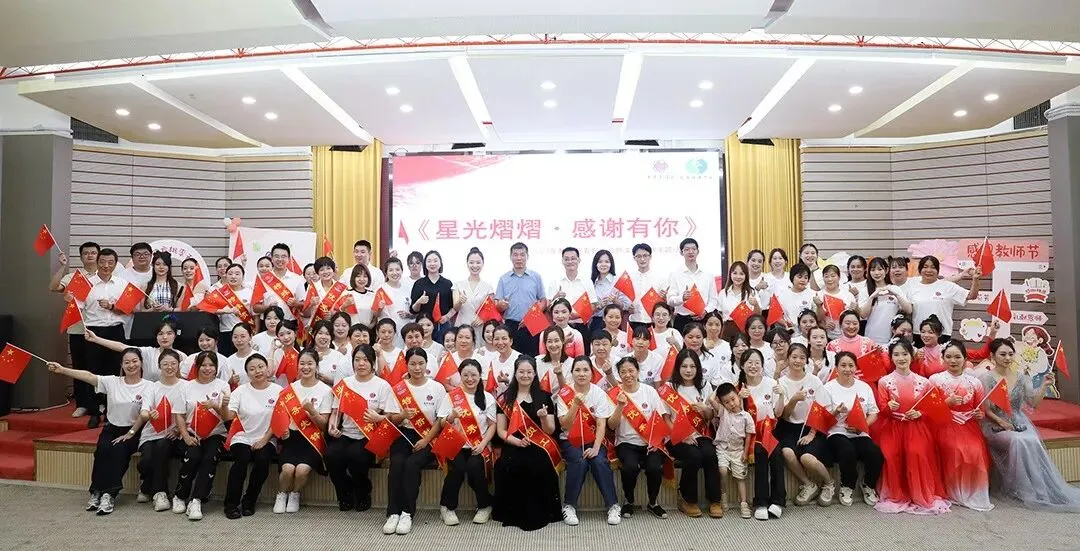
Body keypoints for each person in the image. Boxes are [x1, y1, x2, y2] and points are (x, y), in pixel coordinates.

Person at [45, 348, 152, 515]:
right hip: (112, 427)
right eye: (127, 362)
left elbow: (145, 414)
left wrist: (130, 433)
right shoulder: (112, 382)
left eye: (134, 361)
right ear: (121, 365)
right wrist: (63, 370)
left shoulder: (149, 386)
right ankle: (96, 492)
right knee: (102, 450)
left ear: (141, 363)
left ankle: (109, 494)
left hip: (135, 430)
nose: (131, 365)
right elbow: (88, 376)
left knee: (118, 451)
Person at [979, 339, 1080, 511]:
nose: (1007, 358)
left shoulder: (1021, 377)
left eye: (1010, 354)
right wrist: (1002, 422)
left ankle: (1039, 487)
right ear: (992, 356)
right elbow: (986, 410)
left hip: (1019, 422)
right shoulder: (986, 378)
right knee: (1018, 441)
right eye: (1002, 354)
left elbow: (1033, 402)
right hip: (995, 424)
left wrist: (1044, 385)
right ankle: (1019, 488)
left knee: (1031, 440)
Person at [874, 339, 950, 514]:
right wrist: (888, 407)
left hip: (916, 427)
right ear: (891, 357)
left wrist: (920, 413)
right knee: (891, 455)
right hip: (892, 427)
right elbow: (881, 409)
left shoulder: (924, 382)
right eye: (896, 354)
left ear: (911, 356)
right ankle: (896, 493)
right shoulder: (884, 381)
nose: (901, 358)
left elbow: (931, 408)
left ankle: (919, 493)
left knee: (917, 453)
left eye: (905, 354)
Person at [326, 345, 400, 512]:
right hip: (346, 433)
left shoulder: (382, 385)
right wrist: (332, 426)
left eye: (366, 360)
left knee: (356, 456)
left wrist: (378, 418)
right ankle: (344, 493)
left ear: (373, 363)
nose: (361, 363)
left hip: (369, 435)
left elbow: (392, 415)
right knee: (331, 456)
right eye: (357, 360)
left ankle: (363, 491)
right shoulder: (345, 384)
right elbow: (336, 412)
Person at [493, 356, 562, 531]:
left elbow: (550, 430)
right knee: (511, 463)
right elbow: (501, 430)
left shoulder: (544, 397)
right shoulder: (505, 399)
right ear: (515, 373)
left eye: (529, 372)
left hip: (539, 444)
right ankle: (513, 514)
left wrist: (543, 418)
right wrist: (516, 441)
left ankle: (540, 513)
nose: (525, 375)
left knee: (537, 463)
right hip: (513, 442)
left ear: (534, 374)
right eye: (521, 372)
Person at [383, 347, 446, 535]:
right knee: (397, 463)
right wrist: (402, 415)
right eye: (413, 364)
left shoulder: (437, 388)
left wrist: (426, 440)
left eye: (421, 363)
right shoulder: (399, 389)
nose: (417, 368)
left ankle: (407, 513)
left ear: (427, 364)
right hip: (404, 434)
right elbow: (391, 419)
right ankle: (393, 512)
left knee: (412, 464)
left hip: (429, 436)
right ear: (407, 365)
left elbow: (440, 420)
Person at [554, 356, 621, 526]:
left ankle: (613, 505)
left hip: (594, 439)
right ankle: (569, 506)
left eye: (585, 370)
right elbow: (564, 424)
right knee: (579, 460)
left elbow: (601, 424)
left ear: (592, 373)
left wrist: (596, 448)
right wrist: (575, 405)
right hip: (570, 439)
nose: (582, 374)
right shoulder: (565, 394)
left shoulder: (598, 393)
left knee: (599, 461)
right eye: (577, 370)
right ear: (572, 373)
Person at [928, 341, 992, 511]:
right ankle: (954, 490)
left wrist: (979, 414)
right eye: (948, 357)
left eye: (957, 357)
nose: (953, 361)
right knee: (956, 449)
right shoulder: (935, 380)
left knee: (976, 451)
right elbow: (929, 409)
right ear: (943, 359)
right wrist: (946, 403)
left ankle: (974, 490)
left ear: (965, 359)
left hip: (969, 425)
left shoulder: (975, 382)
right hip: (944, 424)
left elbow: (980, 408)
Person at [171, 351, 232, 521]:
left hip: (216, 433)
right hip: (192, 432)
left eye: (211, 365)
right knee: (192, 456)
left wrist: (216, 406)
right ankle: (180, 495)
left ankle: (196, 500)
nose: (207, 368)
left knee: (210, 457)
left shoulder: (223, 385)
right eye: (203, 365)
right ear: (197, 366)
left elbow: (227, 417)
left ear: (216, 368)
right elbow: (179, 414)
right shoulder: (186, 386)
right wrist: (185, 436)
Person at [608, 356, 670, 519]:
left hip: (651, 442)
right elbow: (611, 426)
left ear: (637, 371)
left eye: (631, 370)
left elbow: (660, 418)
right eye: (623, 372)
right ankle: (629, 501)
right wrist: (620, 406)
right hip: (626, 443)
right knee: (629, 467)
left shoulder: (649, 391)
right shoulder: (615, 394)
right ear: (619, 374)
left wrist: (656, 441)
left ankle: (653, 502)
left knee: (655, 468)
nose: (627, 375)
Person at [223, 353, 283, 518]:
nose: (257, 371)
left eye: (261, 367)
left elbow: (279, 420)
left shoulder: (278, 391)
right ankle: (231, 504)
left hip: (267, 437)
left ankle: (249, 500)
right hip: (242, 436)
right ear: (247, 373)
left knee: (262, 460)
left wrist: (264, 439)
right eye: (252, 369)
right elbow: (228, 416)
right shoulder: (240, 391)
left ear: (267, 369)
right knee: (241, 461)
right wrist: (223, 406)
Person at [664, 349, 722, 518]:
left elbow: (710, 417)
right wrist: (681, 435)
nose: (688, 370)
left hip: (700, 433)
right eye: (684, 366)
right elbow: (665, 418)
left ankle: (715, 500)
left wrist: (705, 409)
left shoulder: (704, 386)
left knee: (710, 454)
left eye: (692, 366)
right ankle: (687, 499)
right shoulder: (669, 388)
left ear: (698, 368)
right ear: (678, 367)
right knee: (694, 456)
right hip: (675, 436)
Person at [437, 358, 496, 525]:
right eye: (465, 375)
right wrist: (452, 416)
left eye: (474, 375)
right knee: (457, 469)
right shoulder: (451, 397)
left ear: (480, 376)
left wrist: (483, 444)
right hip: (455, 443)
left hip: (479, 444)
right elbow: (441, 423)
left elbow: (492, 425)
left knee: (475, 467)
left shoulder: (487, 398)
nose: (470, 379)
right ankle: (447, 507)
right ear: (460, 376)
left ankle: (484, 506)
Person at [775, 343, 836, 506]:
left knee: (807, 458)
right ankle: (808, 484)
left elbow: (822, 409)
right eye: (794, 357)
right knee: (787, 452)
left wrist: (812, 433)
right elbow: (784, 415)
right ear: (788, 358)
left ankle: (829, 483)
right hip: (790, 428)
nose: (797, 361)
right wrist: (794, 400)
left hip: (813, 426)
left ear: (806, 360)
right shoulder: (782, 382)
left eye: (802, 357)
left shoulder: (814, 380)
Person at [273, 348, 332, 514]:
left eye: (310, 363)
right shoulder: (290, 389)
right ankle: (281, 494)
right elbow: (280, 417)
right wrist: (283, 430)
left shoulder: (325, 390)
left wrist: (312, 411)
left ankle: (294, 494)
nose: (306, 367)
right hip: (291, 438)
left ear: (317, 366)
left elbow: (324, 425)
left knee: (301, 470)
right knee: (287, 469)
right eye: (302, 363)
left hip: (312, 439)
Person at [823, 352, 884, 507]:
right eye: (843, 365)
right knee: (847, 450)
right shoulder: (828, 388)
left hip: (859, 432)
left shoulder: (864, 387)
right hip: (837, 431)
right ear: (836, 368)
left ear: (856, 367)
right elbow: (823, 418)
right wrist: (836, 411)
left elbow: (874, 413)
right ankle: (847, 486)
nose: (847, 369)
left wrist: (862, 426)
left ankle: (868, 485)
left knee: (875, 453)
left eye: (851, 365)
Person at [82, 248, 134, 428]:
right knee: (93, 371)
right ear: (97, 262)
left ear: (115, 264)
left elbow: (128, 309)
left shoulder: (122, 284)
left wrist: (112, 306)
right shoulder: (86, 284)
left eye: (110, 262)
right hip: (93, 331)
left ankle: (112, 412)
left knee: (115, 372)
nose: (106, 265)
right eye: (102, 262)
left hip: (115, 330)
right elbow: (77, 307)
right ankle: (94, 412)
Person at [48, 242, 100, 420]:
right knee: (80, 367)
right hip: (78, 329)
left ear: (98, 255)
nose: (90, 255)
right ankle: (82, 404)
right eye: (86, 253)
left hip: (99, 329)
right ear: (81, 257)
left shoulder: (104, 277)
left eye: (93, 252)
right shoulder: (73, 277)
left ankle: (99, 403)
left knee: (98, 367)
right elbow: (53, 287)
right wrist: (62, 266)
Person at [737, 349, 786, 521]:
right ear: (742, 366)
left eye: (757, 362)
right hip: (749, 435)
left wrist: (781, 395)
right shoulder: (739, 388)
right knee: (760, 453)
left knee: (777, 453)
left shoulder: (771, 383)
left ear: (762, 365)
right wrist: (739, 399)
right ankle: (761, 502)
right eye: (749, 362)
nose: (753, 366)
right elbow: (736, 418)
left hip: (769, 431)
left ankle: (778, 501)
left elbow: (778, 413)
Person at [135, 349, 187, 511]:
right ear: (159, 366)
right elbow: (144, 411)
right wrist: (149, 415)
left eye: (173, 364)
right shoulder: (152, 387)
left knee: (162, 447)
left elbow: (191, 414)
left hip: (175, 435)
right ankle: (146, 485)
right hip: (151, 434)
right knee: (146, 461)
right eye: (165, 364)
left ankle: (160, 493)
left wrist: (178, 429)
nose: (169, 367)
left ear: (178, 365)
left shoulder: (186, 386)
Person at [906, 256, 980, 340]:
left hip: (942, 335)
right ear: (920, 270)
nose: (929, 270)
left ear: (938, 270)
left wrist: (975, 279)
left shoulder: (948, 286)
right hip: (919, 334)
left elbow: (971, 296)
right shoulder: (912, 284)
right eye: (925, 267)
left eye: (933, 267)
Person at [85, 320, 185, 383]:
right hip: (148, 394)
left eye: (169, 333)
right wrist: (96, 339)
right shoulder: (148, 352)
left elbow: (184, 380)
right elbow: (122, 347)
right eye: (160, 334)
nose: (164, 337)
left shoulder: (182, 356)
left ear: (175, 336)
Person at [494, 242, 547, 353]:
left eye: (522, 255)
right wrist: (501, 305)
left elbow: (543, 301)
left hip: (533, 321)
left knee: (534, 356)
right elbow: (497, 304)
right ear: (511, 257)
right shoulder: (503, 279)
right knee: (512, 357)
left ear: (527, 256)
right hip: (512, 324)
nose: (519, 258)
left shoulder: (536, 277)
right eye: (515, 254)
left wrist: (531, 318)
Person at [712, 382, 754, 519]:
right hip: (723, 449)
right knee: (722, 470)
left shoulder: (746, 416)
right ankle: (723, 495)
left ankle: (743, 503)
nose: (731, 404)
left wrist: (745, 452)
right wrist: (718, 391)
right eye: (726, 402)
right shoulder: (723, 412)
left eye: (733, 399)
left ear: (738, 395)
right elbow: (711, 400)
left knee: (740, 477)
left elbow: (749, 435)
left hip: (738, 451)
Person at [547, 247, 598, 353]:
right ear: (562, 261)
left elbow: (594, 306)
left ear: (579, 260)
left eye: (573, 258)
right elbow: (548, 308)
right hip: (559, 328)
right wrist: (555, 298)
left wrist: (577, 315)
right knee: (558, 355)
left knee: (582, 358)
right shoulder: (555, 281)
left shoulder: (586, 281)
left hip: (581, 326)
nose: (570, 261)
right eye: (567, 259)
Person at [663, 238, 716, 333]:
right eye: (687, 249)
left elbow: (713, 300)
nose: (691, 252)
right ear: (681, 252)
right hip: (682, 320)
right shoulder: (675, 274)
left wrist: (705, 311)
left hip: (703, 319)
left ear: (698, 251)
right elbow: (670, 300)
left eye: (693, 249)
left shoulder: (708, 275)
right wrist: (682, 298)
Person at [859, 257, 912, 345]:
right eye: (873, 270)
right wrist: (872, 297)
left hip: (892, 337)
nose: (877, 273)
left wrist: (896, 295)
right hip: (872, 336)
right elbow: (863, 315)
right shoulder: (864, 291)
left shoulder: (895, 288)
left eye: (880, 269)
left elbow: (909, 310)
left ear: (886, 270)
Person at [252, 243, 307, 323]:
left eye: (283, 256)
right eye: (277, 256)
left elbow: (304, 305)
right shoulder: (262, 279)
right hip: (268, 324)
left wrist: (296, 304)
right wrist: (268, 307)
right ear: (272, 258)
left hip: (289, 323)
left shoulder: (297, 279)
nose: (280, 259)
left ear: (288, 259)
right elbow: (255, 308)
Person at [410, 250, 456, 343]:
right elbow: (413, 310)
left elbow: (453, 307)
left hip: (442, 325)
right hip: (423, 326)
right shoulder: (419, 284)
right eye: (429, 261)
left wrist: (447, 317)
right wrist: (419, 302)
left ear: (440, 263)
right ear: (425, 264)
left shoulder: (447, 283)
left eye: (435, 260)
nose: (432, 264)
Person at [215, 264, 254, 357]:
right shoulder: (219, 293)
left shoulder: (249, 292)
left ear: (243, 276)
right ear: (226, 276)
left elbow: (255, 315)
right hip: (226, 332)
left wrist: (255, 331)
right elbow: (209, 309)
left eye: (237, 274)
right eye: (230, 274)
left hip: (245, 333)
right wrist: (226, 311)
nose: (233, 276)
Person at [590, 249, 631, 336]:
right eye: (600, 262)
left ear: (611, 264)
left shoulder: (619, 281)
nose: (603, 264)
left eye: (607, 261)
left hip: (614, 322)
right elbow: (588, 309)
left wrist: (615, 301)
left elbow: (627, 305)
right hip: (597, 322)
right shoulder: (591, 283)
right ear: (595, 264)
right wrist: (599, 306)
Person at [627, 243, 667, 331]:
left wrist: (664, 298)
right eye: (639, 256)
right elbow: (625, 301)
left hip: (654, 322)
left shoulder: (660, 278)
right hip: (634, 321)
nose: (642, 259)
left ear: (650, 257)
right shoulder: (629, 278)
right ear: (634, 258)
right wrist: (627, 307)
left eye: (645, 255)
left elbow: (665, 303)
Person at [453, 247, 495, 328]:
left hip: (480, 326)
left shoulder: (488, 287)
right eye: (471, 262)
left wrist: (483, 318)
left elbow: (490, 309)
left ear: (483, 264)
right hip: (462, 326)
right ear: (467, 263)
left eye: (478, 262)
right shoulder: (458, 285)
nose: (475, 266)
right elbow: (455, 308)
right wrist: (460, 301)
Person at [377, 257, 414, 348]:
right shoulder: (381, 289)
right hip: (387, 333)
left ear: (402, 271)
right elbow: (375, 314)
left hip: (406, 330)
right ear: (386, 272)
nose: (394, 273)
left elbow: (414, 312)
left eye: (397, 269)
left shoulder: (408, 288)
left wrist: (409, 315)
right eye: (391, 270)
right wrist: (379, 308)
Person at [815, 265, 857, 340]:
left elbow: (855, 318)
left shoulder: (848, 295)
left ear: (839, 277)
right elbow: (817, 320)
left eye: (833, 276)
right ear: (823, 278)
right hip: (826, 338)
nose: (830, 279)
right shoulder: (818, 295)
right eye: (826, 276)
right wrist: (824, 326)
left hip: (847, 337)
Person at [717, 261, 759, 337]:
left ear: (746, 276)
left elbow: (758, 315)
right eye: (735, 273)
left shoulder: (751, 292)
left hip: (746, 330)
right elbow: (719, 314)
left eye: (741, 274)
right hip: (727, 330)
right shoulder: (723, 293)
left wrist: (756, 305)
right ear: (730, 274)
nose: (738, 276)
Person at [775, 264, 816, 331]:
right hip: (789, 332)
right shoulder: (782, 296)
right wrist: (784, 322)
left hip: (809, 332)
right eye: (799, 277)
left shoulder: (813, 294)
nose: (803, 280)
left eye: (805, 277)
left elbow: (817, 316)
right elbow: (776, 316)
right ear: (792, 277)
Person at [309, 320, 351, 385]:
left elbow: (346, 382)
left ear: (331, 337)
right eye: (320, 333)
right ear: (313, 335)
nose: (323, 337)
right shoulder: (305, 355)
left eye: (327, 334)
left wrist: (331, 381)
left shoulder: (339, 356)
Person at [485, 325, 521, 395]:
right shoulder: (494, 360)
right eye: (496, 339)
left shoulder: (520, 359)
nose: (500, 342)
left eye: (504, 339)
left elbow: (526, 386)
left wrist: (508, 381)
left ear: (511, 341)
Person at [536, 325, 572, 393]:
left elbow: (567, 393)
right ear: (545, 343)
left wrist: (559, 374)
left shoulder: (571, 363)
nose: (553, 345)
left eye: (556, 341)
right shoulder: (537, 361)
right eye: (549, 341)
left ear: (563, 341)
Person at [342, 263, 377, 327]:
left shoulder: (373, 295)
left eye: (365, 276)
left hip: (368, 330)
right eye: (358, 276)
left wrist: (370, 326)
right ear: (353, 278)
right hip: (351, 330)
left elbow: (376, 316)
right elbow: (340, 313)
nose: (362, 279)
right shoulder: (347, 294)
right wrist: (345, 305)